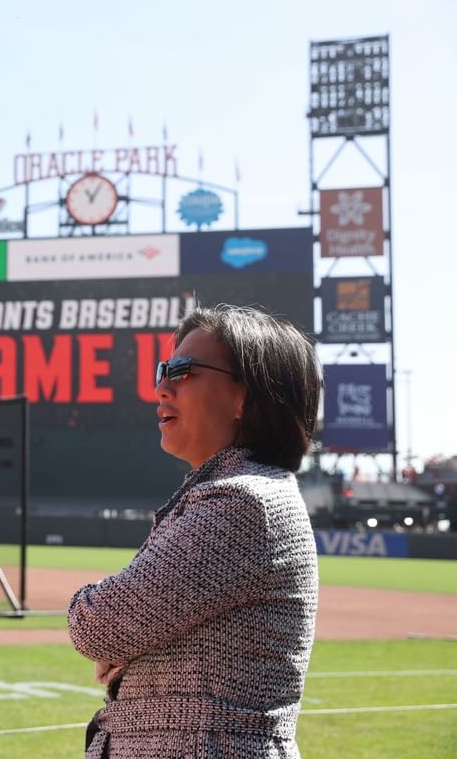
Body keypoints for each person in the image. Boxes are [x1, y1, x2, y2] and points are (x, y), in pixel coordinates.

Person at [68, 305, 321, 759]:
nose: (162, 387)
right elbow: (122, 624)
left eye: (182, 371)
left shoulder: (242, 503)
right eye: (164, 369)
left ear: (246, 396)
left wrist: (124, 637)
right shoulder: (233, 494)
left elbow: (98, 626)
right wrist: (132, 634)